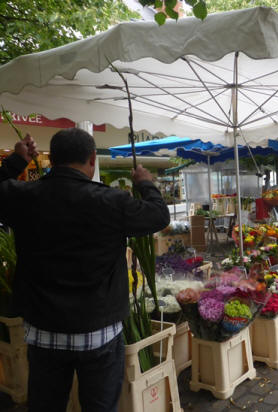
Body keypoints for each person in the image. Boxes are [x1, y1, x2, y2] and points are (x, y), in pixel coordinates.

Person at [0, 129, 170, 412]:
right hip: (100, 332)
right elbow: (158, 215)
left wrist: (16, 162)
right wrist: (145, 184)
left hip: (44, 330)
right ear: (93, 159)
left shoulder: (24, 196)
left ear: (51, 159)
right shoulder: (111, 201)